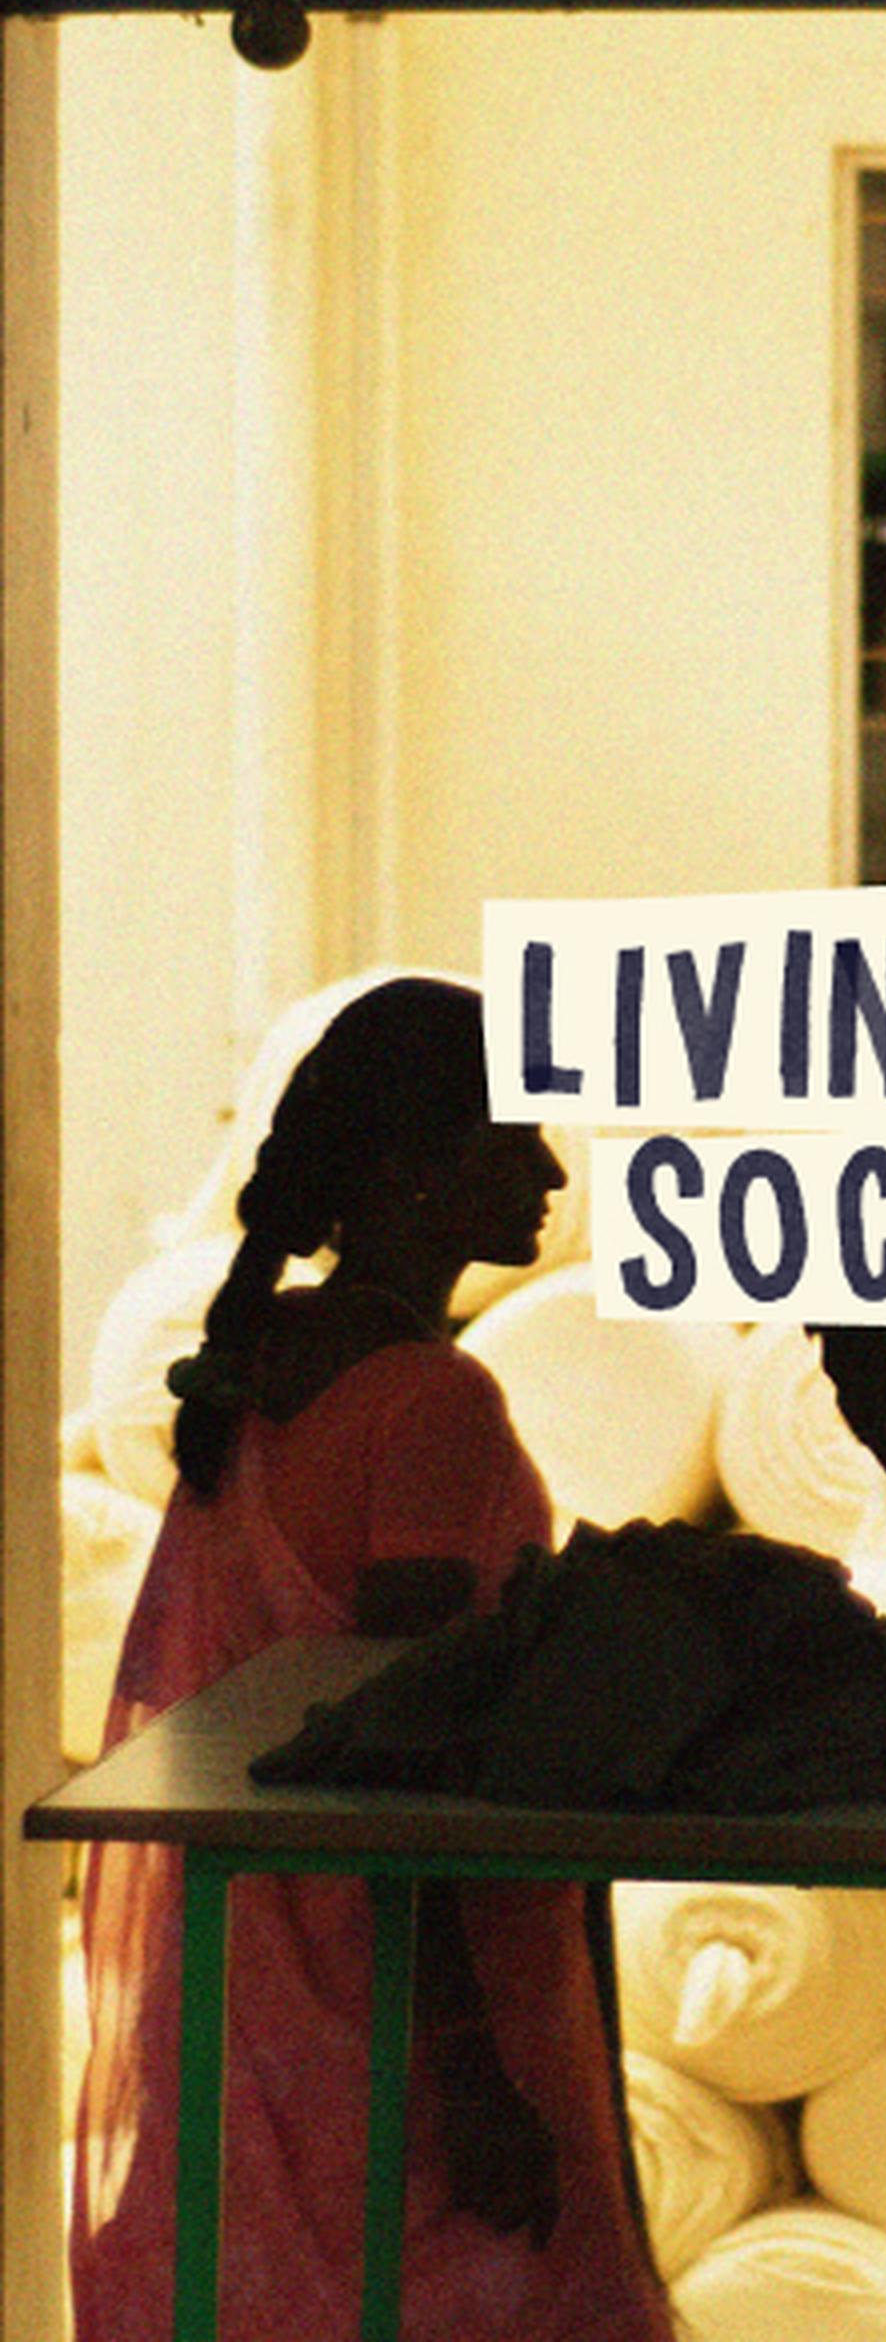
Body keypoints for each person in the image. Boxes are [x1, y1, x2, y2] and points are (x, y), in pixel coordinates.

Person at [72, 976, 675, 2342]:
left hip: (271, 1982)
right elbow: (405, 1755)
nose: (547, 1171)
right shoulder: (431, 1403)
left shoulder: (270, 1367)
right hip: (402, 1998)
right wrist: (468, 2075)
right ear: (410, 1170)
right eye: (508, 1138)